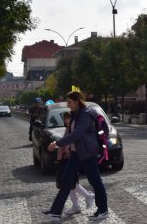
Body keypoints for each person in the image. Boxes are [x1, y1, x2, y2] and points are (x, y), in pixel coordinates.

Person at [43, 91, 108, 221]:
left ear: (77, 101)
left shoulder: (86, 114)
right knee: (66, 181)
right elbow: (70, 133)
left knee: (95, 181)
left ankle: (103, 210)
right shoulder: (76, 114)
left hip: (87, 152)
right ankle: (55, 212)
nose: (68, 104)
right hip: (75, 153)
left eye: (70, 102)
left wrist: (57, 143)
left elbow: (76, 134)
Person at [55, 112, 95, 216]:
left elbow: (71, 143)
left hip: (71, 158)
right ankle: (78, 204)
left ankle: (85, 199)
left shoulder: (74, 129)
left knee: (70, 183)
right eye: (65, 118)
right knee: (71, 184)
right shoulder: (68, 128)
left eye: (68, 118)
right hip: (68, 158)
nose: (66, 120)